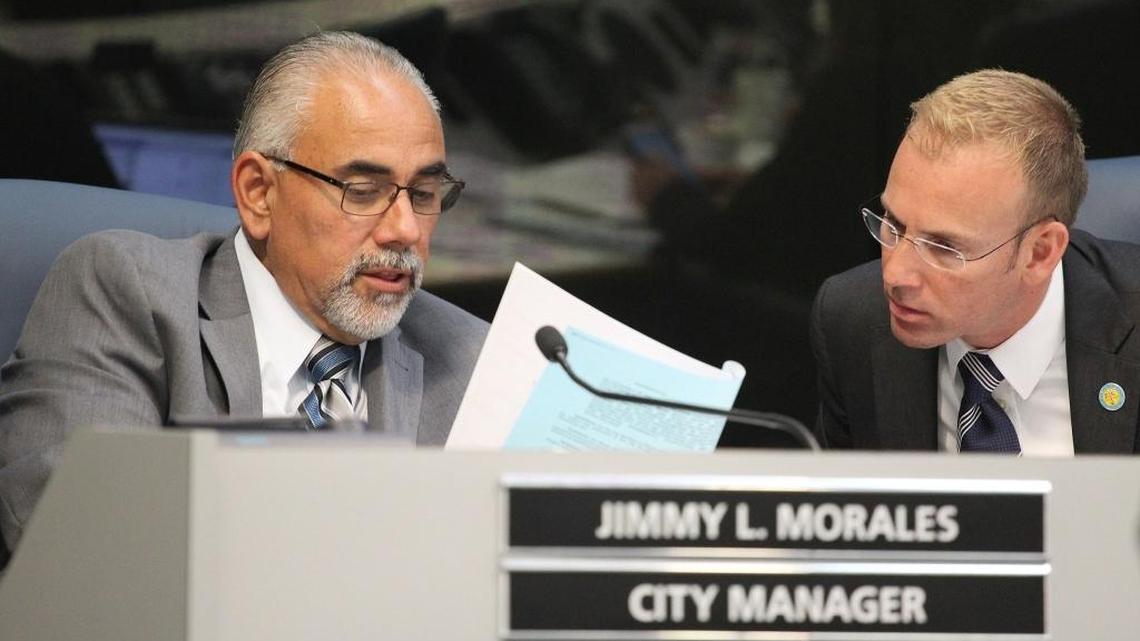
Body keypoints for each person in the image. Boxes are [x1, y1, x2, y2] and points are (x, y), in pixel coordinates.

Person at [0, 32, 488, 562]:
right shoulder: (126, 292)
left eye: (423, 194)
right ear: (259, 193)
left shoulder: (475, 360)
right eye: (363, 191)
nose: (405, 230)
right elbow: (75, 540)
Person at [810, 69, 1140, 455]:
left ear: (1040, 253)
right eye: (893, 226)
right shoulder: (853, 321)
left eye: (944, 248)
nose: (895, 275)